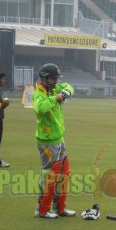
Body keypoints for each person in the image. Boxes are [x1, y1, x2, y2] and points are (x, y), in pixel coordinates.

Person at [33, 63, 75, 219]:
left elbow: (69, 86)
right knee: (49, 175)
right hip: (47, 141)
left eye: (56, 78)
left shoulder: (55, 88)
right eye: (52, 78)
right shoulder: (39, 93)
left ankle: (59, 207)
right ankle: (41, 208)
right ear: (44, 78)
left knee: (64, 173)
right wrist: (55, 98)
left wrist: (65, 92)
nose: (55, 81)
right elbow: (40, 108)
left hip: (59, 139)